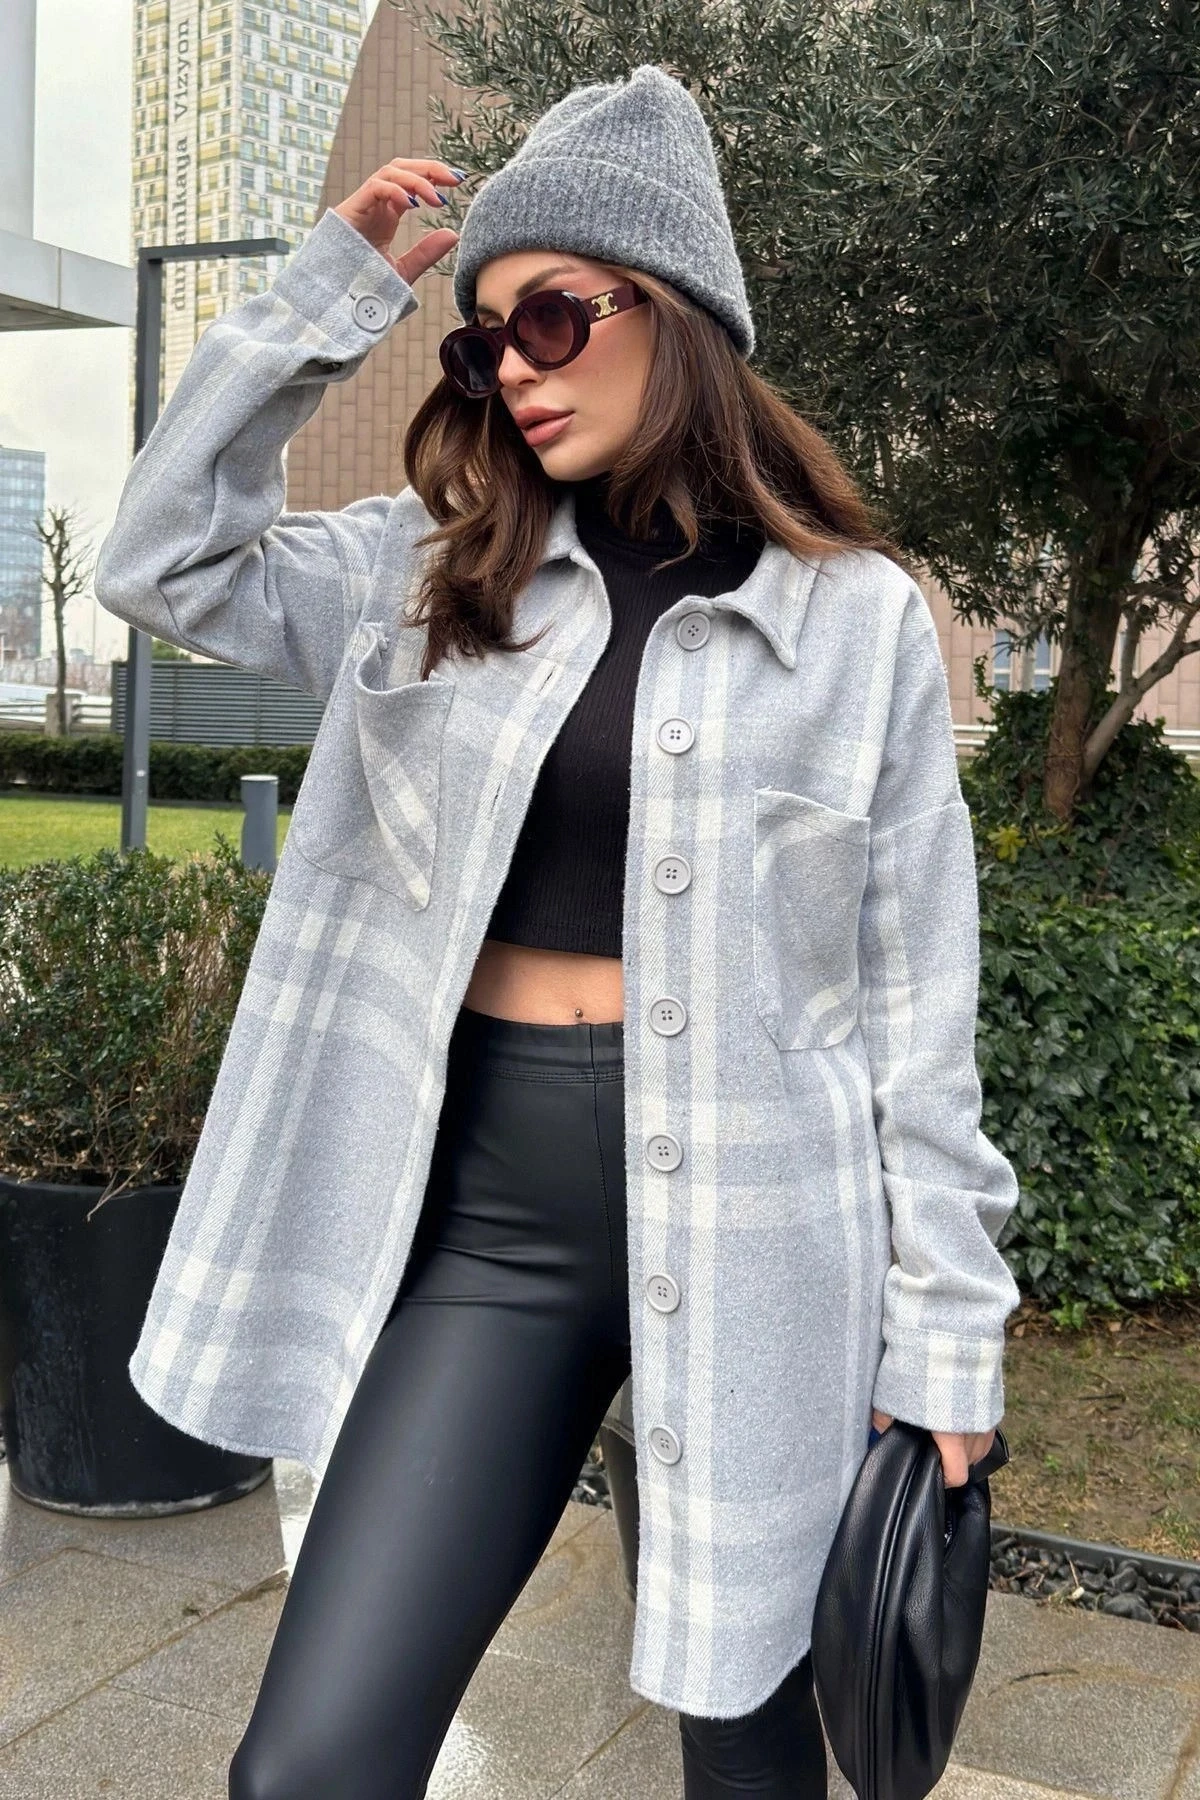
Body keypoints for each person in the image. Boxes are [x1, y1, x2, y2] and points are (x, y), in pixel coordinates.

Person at [94, 64, 1021, 1800]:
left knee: (753, 1758)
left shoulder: (856, 624)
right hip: (493, 1228)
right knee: (310, 1764)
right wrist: (329, 297)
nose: (514, 369)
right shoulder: (429, 574)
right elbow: (160, 560)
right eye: (484, 341)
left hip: (772, 1232)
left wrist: (949, 1338)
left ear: (678, 317)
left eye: (553, 319)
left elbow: (916, 1013)